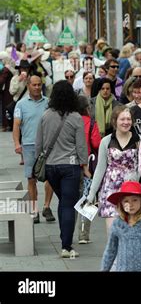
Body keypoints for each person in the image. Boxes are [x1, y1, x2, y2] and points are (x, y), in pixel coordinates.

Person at [36, 80, 88, 258]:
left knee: (63, 203)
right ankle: (66, 246)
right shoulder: (76, 117)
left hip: (51, 167)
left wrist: (39, 161)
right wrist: (85, 167)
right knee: (67, 204)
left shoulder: (45, 115)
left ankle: (64, 239)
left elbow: (39, 144)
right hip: (70, 166)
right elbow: (81, 146)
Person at [86, 106, 140, 234]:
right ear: (115, 121)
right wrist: (92, 193)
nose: (126, 122)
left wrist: (135, 178)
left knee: (130, 230)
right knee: (112, 231)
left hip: (130, 189)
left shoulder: (139, 140)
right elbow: (100, 168)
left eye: (128, 119)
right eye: (122, 119)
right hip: (110, 188)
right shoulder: (106, 141)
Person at [13, 73, 55, 223]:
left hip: (48, 146)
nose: (37, 87)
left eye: (39, 85)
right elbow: (16, 125)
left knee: (49, 177)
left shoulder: (49, 103)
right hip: (29, 145)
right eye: (34, 85)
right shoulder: (21, 104)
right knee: (31, 179)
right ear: (28, 86)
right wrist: (17, 144)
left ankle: (47, 207)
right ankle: (34, 209)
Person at [101, 181, 141, 271]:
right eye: (126, 201)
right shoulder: (118, 224)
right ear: (121, 204)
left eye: (135, 200)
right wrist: (104, 269)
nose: (131, 204)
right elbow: (110, 250)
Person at [76, 95, 101, 244]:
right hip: (88, 166)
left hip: (72, 166)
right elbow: (96, 143)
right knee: (88, 199)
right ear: (87, 107)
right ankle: (83, 235)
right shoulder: (91, 123)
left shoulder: (70, 121)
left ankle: (66, 233)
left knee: (71, 200)